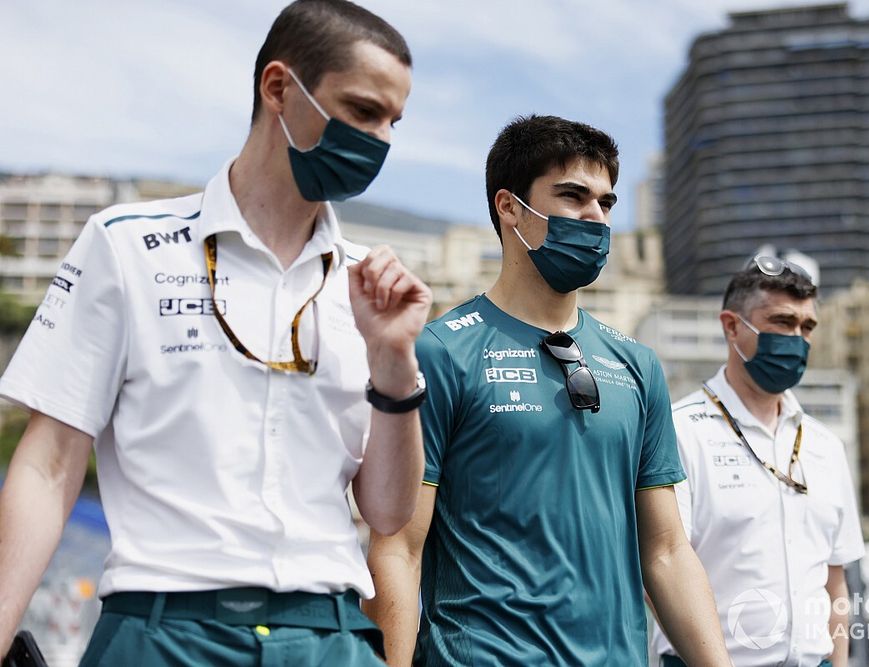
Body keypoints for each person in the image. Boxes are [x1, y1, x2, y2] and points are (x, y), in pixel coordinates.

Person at [0, 1, 430, 665]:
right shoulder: (127, 246)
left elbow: (387, 512)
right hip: (161, 626)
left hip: (330, 634)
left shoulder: (372, 289)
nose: (381, 141)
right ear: (279, 88)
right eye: (364, 111)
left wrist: (394, 363)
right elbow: (50, 461)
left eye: (393, 121)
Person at [364, 114, 731, 666]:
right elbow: (397, 548)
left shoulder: (637, 365)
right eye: (572, 196)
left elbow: (667, 553)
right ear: (509, 207)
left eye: (606, 203)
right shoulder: (440, 353)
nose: (595, 217)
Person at [650, 256, 865, 667]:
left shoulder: (826, 446)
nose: (797, 339)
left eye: (807, 327)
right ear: (732, 326)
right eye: (782, 322)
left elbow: (835, 584)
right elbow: (659, 569)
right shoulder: (679, 431)